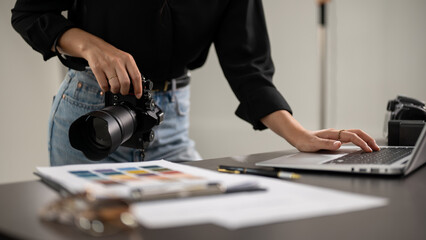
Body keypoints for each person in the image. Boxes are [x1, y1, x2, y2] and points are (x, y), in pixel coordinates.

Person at [11, 0, 379, 166]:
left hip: (168, 119)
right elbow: (30, 13)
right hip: (91, 111)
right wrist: (92, 46)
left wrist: (299, 135)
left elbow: (248, 68)